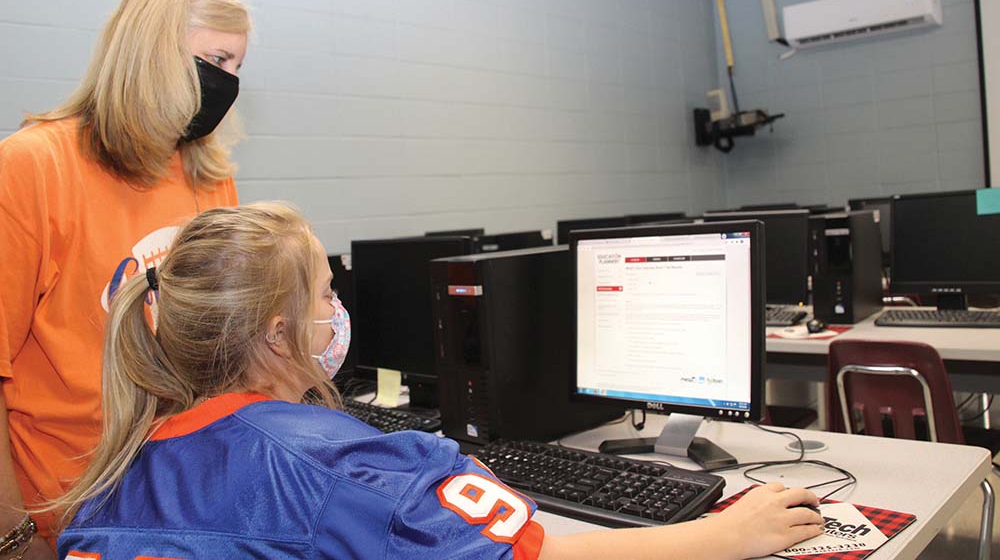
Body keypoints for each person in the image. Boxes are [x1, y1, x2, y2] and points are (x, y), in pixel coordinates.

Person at [53, 202, 824, 559]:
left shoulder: (111, 477)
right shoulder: (345, 467)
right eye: (326, 291)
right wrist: (726, 533)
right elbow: (535, 558)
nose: (339, 308)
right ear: (279, 333)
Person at [0, 0, 251, 556]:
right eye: (216, 62)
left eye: (239, 67)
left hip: (180, 507)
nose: (228, 82)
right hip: (64, 513)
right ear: (152, 52)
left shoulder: (210, 179)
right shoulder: (34, 168)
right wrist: (14, 537)